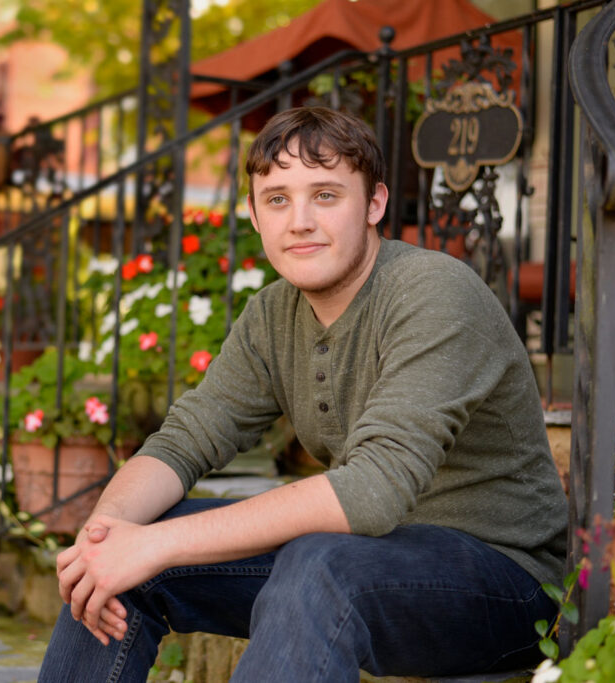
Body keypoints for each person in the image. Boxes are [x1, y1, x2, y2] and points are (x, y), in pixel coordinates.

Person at [37, 106, 568, 682]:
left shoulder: (433, 292)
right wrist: (105, 539)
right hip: (368, 558)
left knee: (319, 563)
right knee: (129, 558)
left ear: (374, 205)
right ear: (255, 215)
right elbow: (186, 439)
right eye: (278, 199)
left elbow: (370, 491)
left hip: (505, 586)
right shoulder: (273, 313)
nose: (300, 222)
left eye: (325, 195)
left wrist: (158, 544)